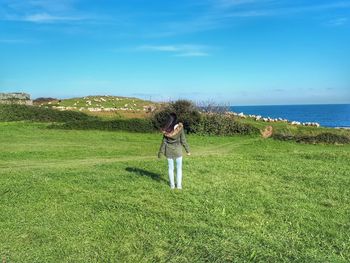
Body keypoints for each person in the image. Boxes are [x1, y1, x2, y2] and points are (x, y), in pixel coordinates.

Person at [158, 113, 191, 189]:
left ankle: (172, 186)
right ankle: (179, 186)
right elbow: (183, 140)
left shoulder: (166, 130)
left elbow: (164, 142)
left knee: (170, 168)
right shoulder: (180, 128)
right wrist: (187, 150)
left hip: (168, 151)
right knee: (179, 168)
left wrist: (160, 153)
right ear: (176, 119)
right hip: (178, 151)